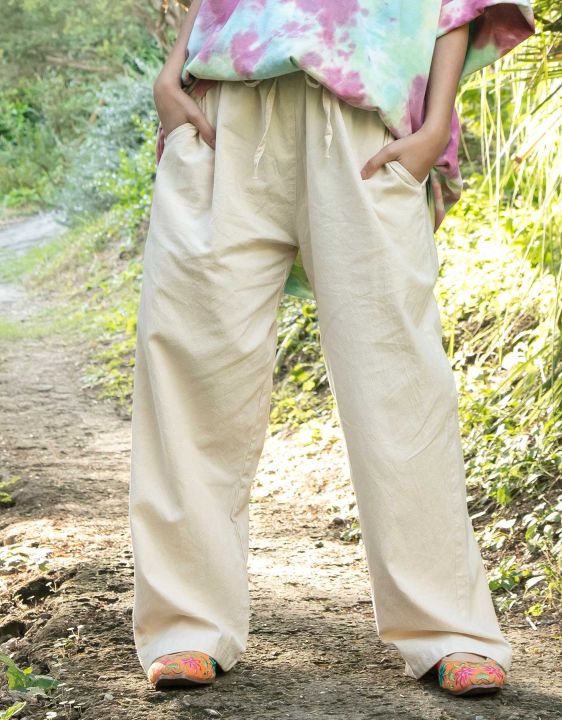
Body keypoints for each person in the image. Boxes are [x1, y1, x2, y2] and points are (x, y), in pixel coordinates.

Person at [128, 0, 535, 698]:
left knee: (399, 380)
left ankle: (448, 628)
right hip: (222, 112)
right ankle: (186, 623)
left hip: (363, 121)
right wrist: (171, 76)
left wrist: (434, 126)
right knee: (191, 370)